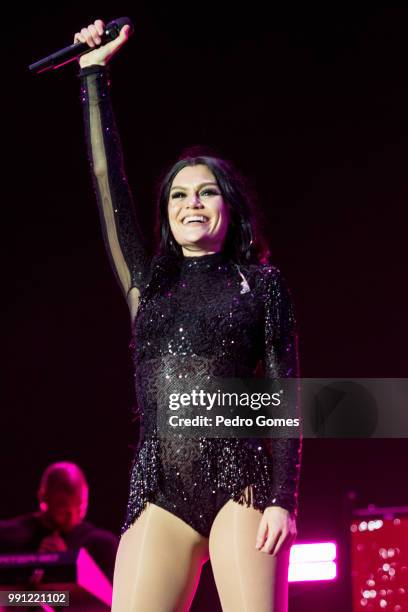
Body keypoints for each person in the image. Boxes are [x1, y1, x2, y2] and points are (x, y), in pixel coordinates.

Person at [74, 18, 302, 611]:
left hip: (242, 481)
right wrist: (94, 74)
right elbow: (107, 182)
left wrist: (283, 497)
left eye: (205, 192)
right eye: (178, 194)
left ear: (230, 208)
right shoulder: (147, 285)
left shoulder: (262, 284)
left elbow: (283, 392)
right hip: (159, 487)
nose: (190, 202)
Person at [0, 462, 118, 583]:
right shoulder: (8, 537)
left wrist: (67, 562)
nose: (73, 518)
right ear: (43, 498)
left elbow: (111, 596)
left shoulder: (103, 545)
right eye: (63, 510)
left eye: (80, 508)